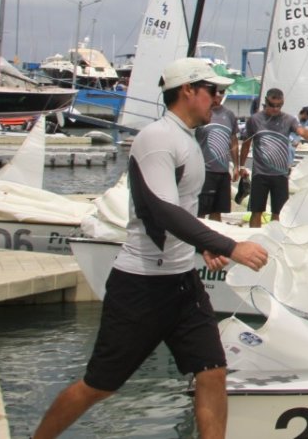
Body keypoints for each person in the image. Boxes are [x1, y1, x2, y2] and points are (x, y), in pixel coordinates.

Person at [32, 58, 271, 439]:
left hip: (182, 284)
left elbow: (180, 213)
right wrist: (228, 245)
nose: (219, 100)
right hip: (141, 286)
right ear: (188, 90)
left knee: (212, 371)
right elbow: (161, 210)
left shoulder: (187, 139)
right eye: (213, 91)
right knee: (101, 384)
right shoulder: (158, 138)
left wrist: (201, 248)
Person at [238, 88, 308, 228]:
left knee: (278, 212)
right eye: (272, 105)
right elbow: (246, 144)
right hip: (260, 174)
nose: (275, 109)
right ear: (266, 102)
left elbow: (301, 131)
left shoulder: (289, 119)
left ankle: (274, 239)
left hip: (280, 175)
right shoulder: (254, 120)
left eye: (279, 105)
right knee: (256, 211)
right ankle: (254, 238)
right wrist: (241, 166)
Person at [196, 85, 239, 222]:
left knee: (217, 210)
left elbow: (233, 141)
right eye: (216, 93)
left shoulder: (229, 115)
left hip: (223, 171)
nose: (218, 96)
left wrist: (237, 166)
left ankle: (215, 240)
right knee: (200, 210)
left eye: (222, 93)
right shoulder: (200, 113)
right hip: (204, 171)